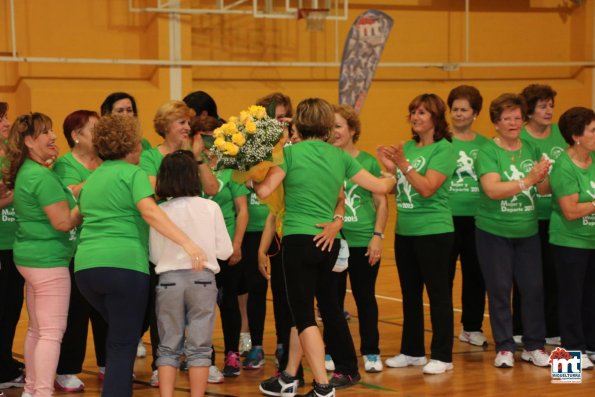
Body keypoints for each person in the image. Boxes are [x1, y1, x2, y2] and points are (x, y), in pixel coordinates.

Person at [253, 98, 395, 397]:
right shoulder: (340, 156)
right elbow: (382, 188)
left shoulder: (289, 155)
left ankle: (321, 385)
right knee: (304, 312)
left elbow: (265, 190)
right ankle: (289, 377)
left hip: (299, 242)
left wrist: (249, 173)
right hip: (329, 243)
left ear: (299, 124)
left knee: (304, 318)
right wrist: (392, 172)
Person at [73, 114, 207, 397]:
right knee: (123, 342)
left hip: (86, 270)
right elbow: (149, 211)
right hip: (124, 266)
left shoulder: (93, 178)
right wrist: (188, 242)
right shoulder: (132, 174)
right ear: (132, 146)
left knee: (119, 336)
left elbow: (73, 218)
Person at [139, 100, 220, 386]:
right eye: (181, 122)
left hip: (196, 244)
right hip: (166, 240)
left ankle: (201, 360)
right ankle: (162, 364)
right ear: (165, 127)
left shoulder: (194, 155)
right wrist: (178, 179)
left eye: (188, 122)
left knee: (198, 317)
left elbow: (211, 189)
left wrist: (196, 160)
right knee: (165, 316)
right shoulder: (151, 156)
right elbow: (151, 190)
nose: (187, 127)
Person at [3, 112, 82, 397]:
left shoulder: (28, 171)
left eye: (51, 131)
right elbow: (62, 222)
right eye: (44, 132)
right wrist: (85, 204)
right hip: (48, 261)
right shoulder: (41, 177)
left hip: (30, 258)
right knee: (50, 332)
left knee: (38, 330)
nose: (52, 137)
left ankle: (32, 390)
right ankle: (43, 392)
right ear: (28, 141)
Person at [377, 93, 456, 375]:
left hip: (434, 231)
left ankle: (443, 356)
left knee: (438, 294)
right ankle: (412, 351)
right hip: (406, 231)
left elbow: (426, 188)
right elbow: (404, 188)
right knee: (410, 294)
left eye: (422, 112)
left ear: (435, 118)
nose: (416, 117)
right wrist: (389, 169)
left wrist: (402, 165)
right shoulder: (407, 147)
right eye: (413, 111)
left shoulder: (444, 150)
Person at [474, 93, 551, 368]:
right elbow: (492, 190)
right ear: (496, 122)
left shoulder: (530, 148)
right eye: (507, 118)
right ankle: (505, 347)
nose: (513, 122)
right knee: (499, 289)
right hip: (494, 232)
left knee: (533, 288)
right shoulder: (488, 151)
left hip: (527, 232)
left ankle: (534, 345)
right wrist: (528, 179)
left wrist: (543, 177)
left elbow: (542, 190)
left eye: (518, 118)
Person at [150, 150, 234, 397]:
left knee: (168, 345)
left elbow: (155, 256)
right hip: (202, 280)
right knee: (200, 347)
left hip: (168, 281)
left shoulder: (159, 210)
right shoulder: (210, 207)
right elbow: (226, 251)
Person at [52, 110, 107, 391]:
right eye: (93, 129)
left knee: (105, 309)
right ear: (76, 135)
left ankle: (106, 363)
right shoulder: (63, 165)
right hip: (75, 249)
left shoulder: (105, 161)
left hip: (105, 246)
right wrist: (104, 179)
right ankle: (66, 369)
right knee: (76, 311)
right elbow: (70, 194)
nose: (99, 134)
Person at [239, 92, 294, 369]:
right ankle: (256, 345)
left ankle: (284, 343)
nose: (277, 121)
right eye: (272, 115)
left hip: (283, 228)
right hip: (253, 229)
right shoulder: (249, 147)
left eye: (283, 116)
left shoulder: (292, 150)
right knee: (256, 288)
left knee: (284, 290)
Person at [331, 104, 388, 372]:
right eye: (329, 127)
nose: (334, 131)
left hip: (363, 241)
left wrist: (377, 236)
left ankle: (371, 351)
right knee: (332, 299)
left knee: (365, 298)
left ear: (353, 130)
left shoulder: (366, 162)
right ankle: (331, 351)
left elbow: (381, 203)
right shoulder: (326, 159)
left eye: (339, 126)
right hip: (333, 240)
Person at [515, 84, 566, 346]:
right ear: (530, 110)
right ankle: (519, 328)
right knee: (527, 277)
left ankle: (552, 328)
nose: (549, 111)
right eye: (542, 106)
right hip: (528, 216)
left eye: (551, 105)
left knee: (554, 274)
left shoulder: (562, 133)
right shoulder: (520, 138)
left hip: (558, 217)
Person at [549, 106, 595, 369]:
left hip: (592, 241)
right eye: (593, 130)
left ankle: (591, 346)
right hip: (569, 243)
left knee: (591, 297)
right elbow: (570, 211)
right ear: (577, 136)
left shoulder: (594, 159)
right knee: (570, 300)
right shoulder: (563, 167)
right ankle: (569, 361)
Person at [446, 86, 489, 346]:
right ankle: (443, 327)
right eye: (455, 109)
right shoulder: (441, 142)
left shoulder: (485, 145)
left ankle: (471, 327)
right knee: (444, 276)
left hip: (478, 219)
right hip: (446, 218)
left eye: (464, 110)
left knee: (476, 274)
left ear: (475, 113)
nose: (458, 114)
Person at [0, 102, 26, 390]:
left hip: (17, 243)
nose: (7, 123)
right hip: (0, 243)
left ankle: (5, 362)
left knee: (11, 309)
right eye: (1, 119)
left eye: (6, 117)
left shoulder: (15, 156)